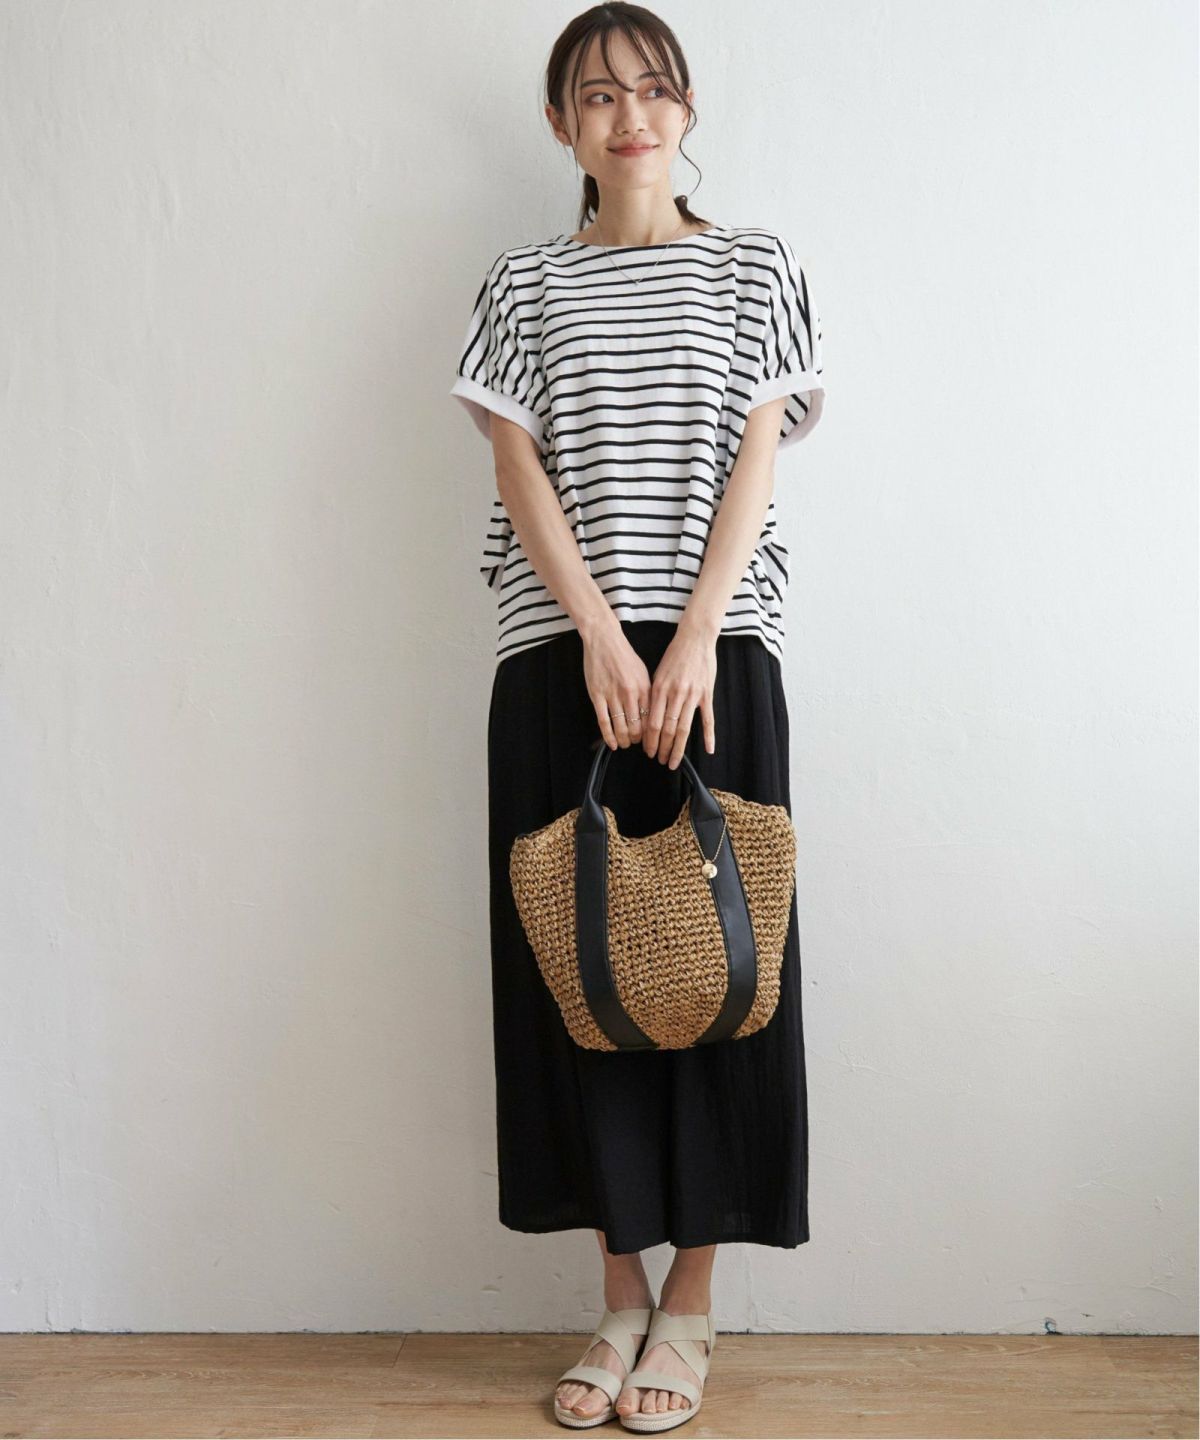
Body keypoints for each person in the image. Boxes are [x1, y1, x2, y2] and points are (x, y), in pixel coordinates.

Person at [449, 4, 826, 1430]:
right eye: (598, 95)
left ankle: (694, 1305)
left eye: (654, 88)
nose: (630, 115)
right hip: (565, 653)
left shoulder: (756, 266)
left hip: (719, 655)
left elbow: (756, 460)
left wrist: (697, 635)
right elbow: (519, 468)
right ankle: (617, 1296)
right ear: (561, 125)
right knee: (582, 978)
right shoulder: (521, 283)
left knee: (722, 970)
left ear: (688, 109)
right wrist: (606, 636)